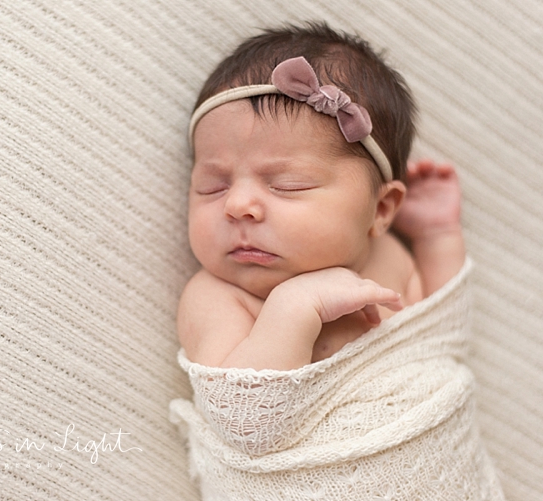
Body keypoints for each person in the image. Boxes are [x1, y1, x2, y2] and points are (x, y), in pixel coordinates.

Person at [169, 22, 504, 501]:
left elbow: (445, 332)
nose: (237, 204)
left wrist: (437, 235)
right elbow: (244, 424)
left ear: (382, 210)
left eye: (288, 185)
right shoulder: (219, 295)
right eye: (212, 185)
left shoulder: (389, 258)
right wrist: (294, 306)